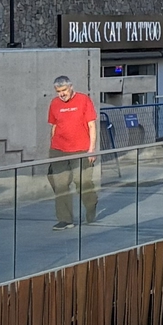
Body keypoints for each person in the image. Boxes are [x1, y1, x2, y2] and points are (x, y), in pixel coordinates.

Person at [46, 74, 100, 229]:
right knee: (60, 184)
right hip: (59, 149)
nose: (61, 94)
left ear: (71, 87)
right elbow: (54, 126)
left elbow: (91, 126)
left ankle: (91, 203)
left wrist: (91, 150)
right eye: (58, 91)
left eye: (64, 90)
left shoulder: (84, 100)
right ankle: (65, 219)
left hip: (81, 150)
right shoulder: (54, 103)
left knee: (82, 182)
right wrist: (52, 146)